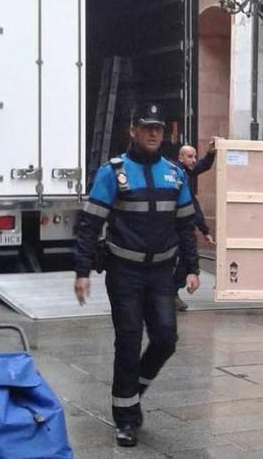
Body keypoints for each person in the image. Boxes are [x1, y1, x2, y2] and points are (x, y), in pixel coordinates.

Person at [73, 102, 200, 447]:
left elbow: (186, 225)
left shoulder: (175, 173)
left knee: (165, 339)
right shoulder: (113, 173)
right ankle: (126, 419)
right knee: (128, 342)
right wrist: (81, 271)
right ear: (133, 130)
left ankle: (135, 390)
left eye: (158, 128)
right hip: (124, 272)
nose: (154, 134)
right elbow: (89, 225)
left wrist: (192, 267)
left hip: (162, 272)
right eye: (147, 127)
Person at [172, 141, 217, 311]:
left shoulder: (187, 171)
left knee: (186, 261)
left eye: (194, 156)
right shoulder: (176, 173)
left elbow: (202, 166)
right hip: (173, 227)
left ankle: (172, 294)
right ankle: (168, 296)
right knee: (176, 263)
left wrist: (211, 153)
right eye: (189, 156)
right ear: (180, 157)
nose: (193, 160)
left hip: (185, 227)